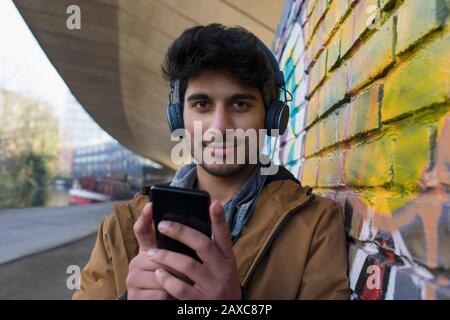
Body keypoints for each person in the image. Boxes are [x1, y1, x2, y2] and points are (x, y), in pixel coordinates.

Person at [72, 23, 350, 300]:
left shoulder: (315, 224)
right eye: (202, 105)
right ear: (179, 118)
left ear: (271, 117)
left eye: (240, 104)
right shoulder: (121, 228)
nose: (220, 126)